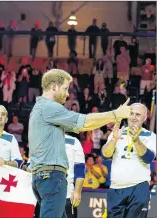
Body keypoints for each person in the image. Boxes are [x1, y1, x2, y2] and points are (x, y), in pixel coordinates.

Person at [28, 68, 131, 218]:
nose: (67, 93)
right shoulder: (49, 107)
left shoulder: (39, 108)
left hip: (43, 176)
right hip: (51, 176)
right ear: (54, 87)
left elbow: (85, 124)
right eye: (64, 88)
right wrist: (114, 114)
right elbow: (84, 122)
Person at [102, 103, 156, 218]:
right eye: (131, 113)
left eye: (138, 114)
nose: (133, 117)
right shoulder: (117, 132)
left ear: (144, 118)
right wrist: (114, 140)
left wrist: (136, 140)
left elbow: (148, 159)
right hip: (116, 187)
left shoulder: (150, 136)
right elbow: (105, 154)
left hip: (139, 187)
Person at [30, 134, 85, 218]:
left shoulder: (74, 142)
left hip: (67, 195)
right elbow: (30, 165)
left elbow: (80, 170)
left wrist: (77, 191)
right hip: (44, 194)